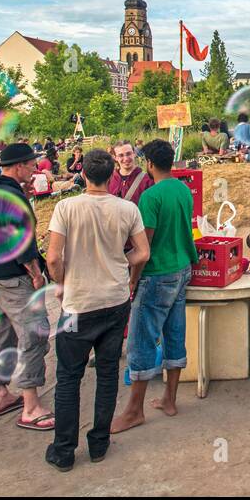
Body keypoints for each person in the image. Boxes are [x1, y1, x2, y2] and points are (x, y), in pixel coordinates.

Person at [43, 149, 150, 471]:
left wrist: (63, 283)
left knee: (68, 378)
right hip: (115, 303)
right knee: (107, 374)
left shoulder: (66, 207)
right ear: (111, 172)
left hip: (78, 306)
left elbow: (52, 258)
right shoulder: (127, 208)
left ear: (84, 175)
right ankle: (99, 443)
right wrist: (120, 265)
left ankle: (63, 450)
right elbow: (142, 253)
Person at [112, 139, 198, 431]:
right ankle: (169, 399)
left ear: (149, 163)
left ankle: (134, 410)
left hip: (157, 274)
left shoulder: (151, 196)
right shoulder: (183, 189)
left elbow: (144, 246)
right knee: (174, 335)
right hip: (182, 269)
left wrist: (133, 279)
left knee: (141, 341)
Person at [0, 142, 54, 432]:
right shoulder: (13, 197)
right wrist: (35, 272)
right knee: (34, 335)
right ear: (19, 166)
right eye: (32, 164)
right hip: (15, 276)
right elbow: (21, 241)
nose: (35, 169)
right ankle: (31, 405)